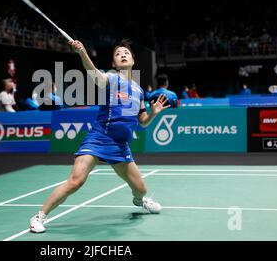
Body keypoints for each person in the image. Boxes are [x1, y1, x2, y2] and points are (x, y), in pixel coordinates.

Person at [29, 39, 171, 233]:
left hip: (120, 145)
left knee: (141, 189)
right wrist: (82, 53)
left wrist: (153, 113)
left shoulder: (138, 91)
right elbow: (94, 73)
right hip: (98, 139)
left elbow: (142, 121)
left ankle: (139, 201)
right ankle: (39, 216)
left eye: (126, 52)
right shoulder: (111, 79)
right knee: (76, 181)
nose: (123, 54)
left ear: (133, 60)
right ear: (113, 63)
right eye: (118, 53)